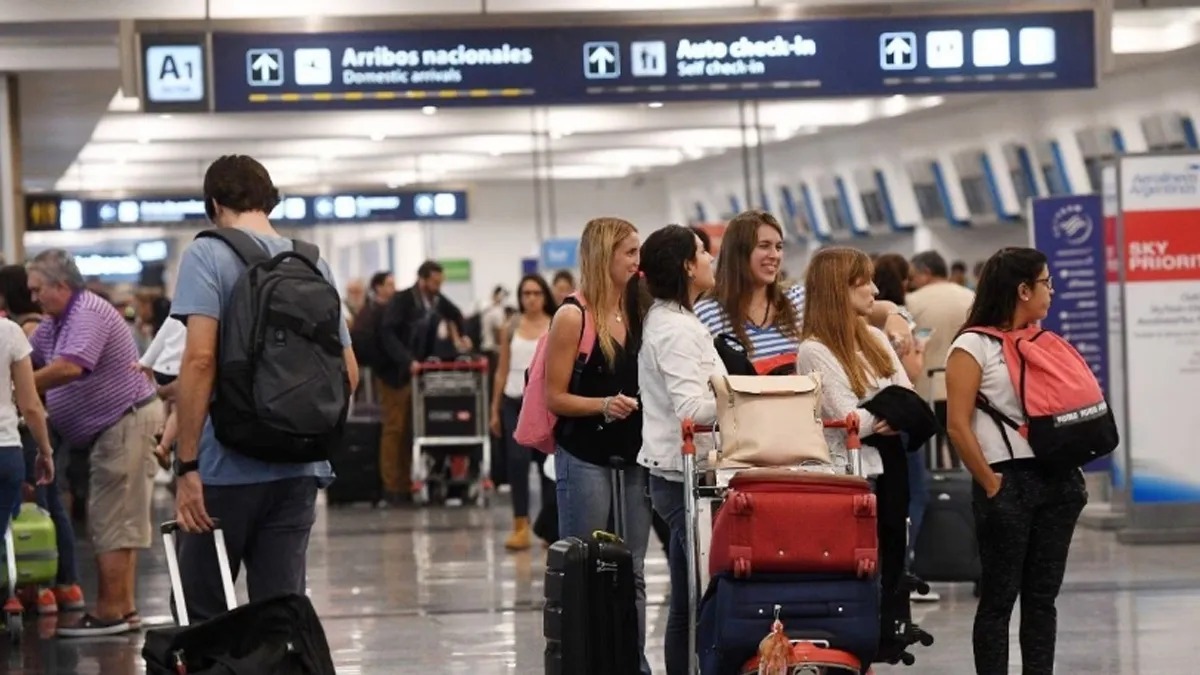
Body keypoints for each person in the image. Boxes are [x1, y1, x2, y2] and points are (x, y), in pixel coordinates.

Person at [170, 155, 358, 622]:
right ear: (269, 200)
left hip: (225, 468)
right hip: (301, 466)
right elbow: (349, 372)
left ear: (214, 203)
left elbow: (199, 359)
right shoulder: (313, 263)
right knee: (281, 614)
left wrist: (187, 463)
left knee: (202, 612)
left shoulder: (207, 254)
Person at [945, 247, 1086, 675]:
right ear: (1023, 290)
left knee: (1042, 599)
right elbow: (957, 425)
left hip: (1057, 481)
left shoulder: (1042, 341)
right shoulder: (973, 345)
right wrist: (990, 483)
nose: (1052, 291)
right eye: (1046, 282)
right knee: (999, 600)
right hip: (1007, 482)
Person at [27, 250, 164, 637]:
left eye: (38, 290)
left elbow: (72, 366)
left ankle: (110, 612)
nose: (33, 298)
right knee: (120, 519)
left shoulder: (87, 311)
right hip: (115, 426)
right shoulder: (56, 323)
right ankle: (124, 608)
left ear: (61, 286)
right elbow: (30, 359)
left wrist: (22, 386)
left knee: (113, 520)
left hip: (125, 421)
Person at [544, 217, 650, 674]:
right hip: (585, 455)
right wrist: (603, 404)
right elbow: (555, 396)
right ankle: (586, 662)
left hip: (633, 456)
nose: (636, 261)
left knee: (636, 571)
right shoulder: (573, 316)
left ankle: (633, 662)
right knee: (585, 567)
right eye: (628, 252)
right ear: (603, 256)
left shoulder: (639, 310)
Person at [636, 224, 721, 675]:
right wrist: (745, 402)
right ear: (687, 266)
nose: (710, 258)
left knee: (690, 595)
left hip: (689, 474)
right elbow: (691, 407)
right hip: (681, 477)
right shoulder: (673, 328)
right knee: (693, 597)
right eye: (703, 252)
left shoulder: (682, 320)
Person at [695, 210, 912, 372]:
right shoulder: (706, 314)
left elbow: (867, 307)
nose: (774, 255)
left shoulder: (799, 299)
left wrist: (895, 314)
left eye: (779, 247)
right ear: (738, 253)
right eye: (764, 246)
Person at [796, 247, 911, 477]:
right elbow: (849, 420)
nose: (875, 290)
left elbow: (909, 395)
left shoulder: (875, 337)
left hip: (892, 463)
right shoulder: (814, 350)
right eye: (866, 282)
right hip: (847, 472)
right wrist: (895, 411)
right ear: (840, 289)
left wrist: (897, 411)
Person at [376, 261, 469, 505]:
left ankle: (406, 482)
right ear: (423, 280)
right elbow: (388, 333)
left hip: (417, 375)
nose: (438, 287)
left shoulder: (434, 300)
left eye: (440, 283)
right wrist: (407, 361)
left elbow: (456, 313)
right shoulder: (403, 300)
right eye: (435, 283)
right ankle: (391, 486)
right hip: (395, 375)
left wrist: (463, 335)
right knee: (394, 429)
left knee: (410, 430)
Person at [873, 252, 938, 602]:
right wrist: (921, 350)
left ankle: (884, 571)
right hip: (899, 414)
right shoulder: (899, 320)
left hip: (870, 421)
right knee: (911, 495)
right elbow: (911, 371)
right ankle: (902, 568)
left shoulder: (862, 325)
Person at [489, 274, 555, 551]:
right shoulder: (511, 326)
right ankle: (520, 524)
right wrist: (494, 409)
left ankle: (550, 527)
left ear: (544, 295)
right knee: (516, 463)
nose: (531, 298)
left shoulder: (556, 323)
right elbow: (501, 369)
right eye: (526, 293)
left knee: (547, 467)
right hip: (513, 401)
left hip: (544, 402)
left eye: (536, 293)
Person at [907, 250, 975, 468]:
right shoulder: (970, 297)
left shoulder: (912, 302)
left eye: (913, 276)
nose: (912, 282)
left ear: (926, 273)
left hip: (927, 388)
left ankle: (938, 496)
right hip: (967, 386)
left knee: (931, 455)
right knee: (965, 448)